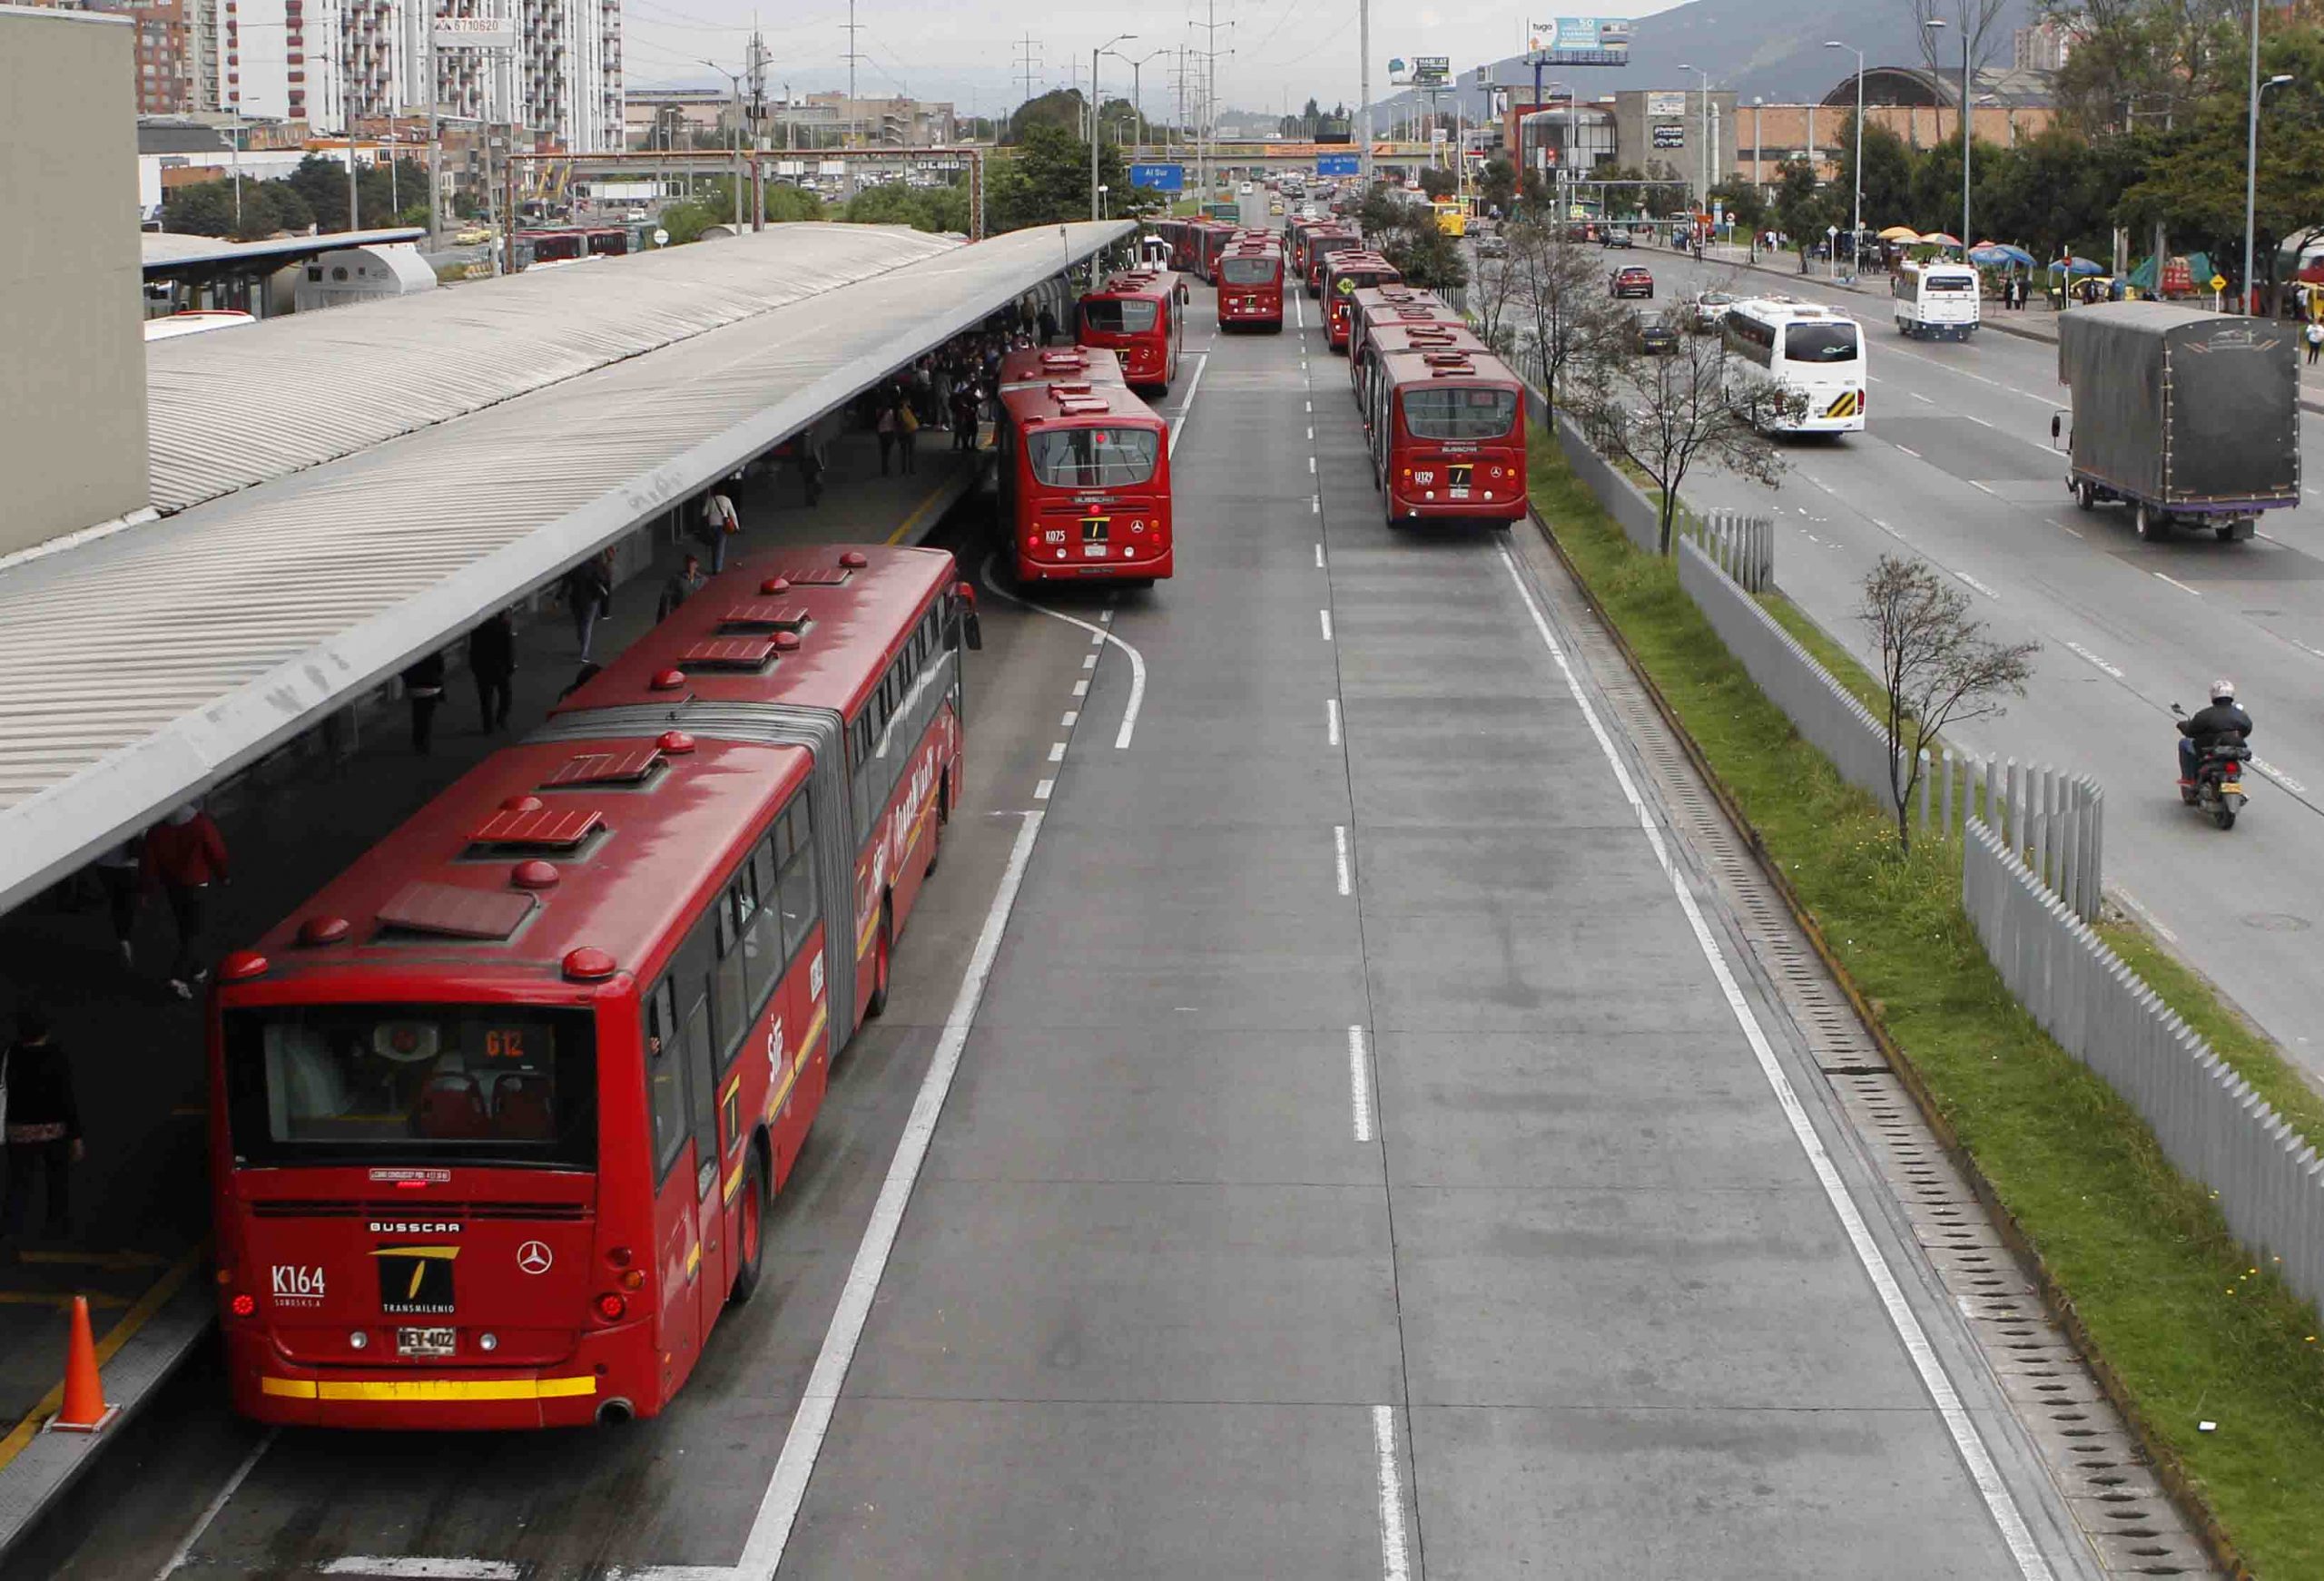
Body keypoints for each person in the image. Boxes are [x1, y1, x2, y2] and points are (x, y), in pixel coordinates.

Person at [2, 1008, 83, 1249]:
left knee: (19, 1182)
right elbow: (66, 1099)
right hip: (53, 1130)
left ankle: (11, 1229)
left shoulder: (12, 1054)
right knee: (57, 1180)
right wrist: (75, 1136)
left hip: (18, 1130)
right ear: (47, 1030)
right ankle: (56, 1226)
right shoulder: (55, 1056)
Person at [141, 802, 228, 999]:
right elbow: (217, 852)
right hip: (197, 884)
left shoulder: (156, 831)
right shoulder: (201, 824)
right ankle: (177, 976)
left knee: (185, 928)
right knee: (195, 932)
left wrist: (147, 890)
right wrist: (223, 875)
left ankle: (198, 968)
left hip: (173, 887)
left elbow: (149, 864)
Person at [2178, 679, 2253, 787]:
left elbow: (2191, 732)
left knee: (2184, 743)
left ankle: (2189, 779)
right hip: (2234, 750)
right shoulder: (2241, 714)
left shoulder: (2204, 715)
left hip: (2210, 751)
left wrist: (2182, 725)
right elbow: (2247, 729)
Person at [93, 838, 141, 967]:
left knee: (116, 901)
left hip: (103, 864)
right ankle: (125, 938)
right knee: (127, 903)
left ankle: (122, 937)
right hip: (128, 865)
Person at [468, 609, 516, 732]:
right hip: (500, 668)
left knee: (485, 699)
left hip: (482, 668)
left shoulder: (477, 629)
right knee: (505, 695)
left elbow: (473, 651)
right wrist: (510, 667)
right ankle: (501, 718)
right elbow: (508, 650)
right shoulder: (503, 627)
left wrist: (474, 667)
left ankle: (487, 726)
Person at [561, 549, 614, 661]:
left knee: (580, 624)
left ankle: (582, 644)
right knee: (587, 625)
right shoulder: (594, 566)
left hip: (575, 600)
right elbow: (603, 578)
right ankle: (584, 653)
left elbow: (565, 584)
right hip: (591, 599)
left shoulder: (573, 567)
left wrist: (558, 599)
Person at [401, 651, 447, 754]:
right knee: (427, 716)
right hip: (431, 688)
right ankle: (423, 742)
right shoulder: (433, 651)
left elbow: (403, 670)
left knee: (417, 713)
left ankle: (417, 739)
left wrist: (409, 681)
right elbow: (441, 668)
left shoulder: (410, 652)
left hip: (415, 688)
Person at [695, 486, 740, 574]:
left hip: (712, 525)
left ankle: (714, 565)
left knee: (714, 547)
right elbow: (733, 514)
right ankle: (717, 569)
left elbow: (704, 513)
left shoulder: (710, 500)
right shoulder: (727, 500)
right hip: (723, 526)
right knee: (720, 548)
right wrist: (736, 526)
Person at [658, 553, 706, 620]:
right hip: (680, 615)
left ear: (697, 565)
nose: (690, 565)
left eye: (692, 562)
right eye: (688, 562)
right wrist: (666, 616)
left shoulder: (703, 580)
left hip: (697, 615)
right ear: (685, 564)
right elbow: (666, 597)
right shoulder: (676, 579)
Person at [896, 398, 920, 475]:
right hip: (912, 432)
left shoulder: (900, 411)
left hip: (903, 432)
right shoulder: (912, 410)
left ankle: (903, 470)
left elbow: (899, 423)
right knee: (911, 452)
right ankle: (911, 469)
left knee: (903, 452)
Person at [876, 403, 897, 475]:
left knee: (883, 452)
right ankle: (886, 468)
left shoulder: (879, 411)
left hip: (881, 433)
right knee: (887, 452)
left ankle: (884, 469)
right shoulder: (891, 411)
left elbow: (877, 422)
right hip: (889, 433)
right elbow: (893, 423)